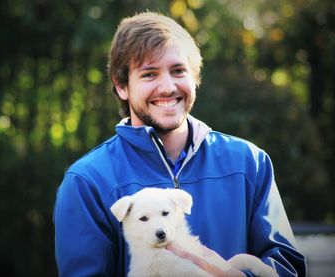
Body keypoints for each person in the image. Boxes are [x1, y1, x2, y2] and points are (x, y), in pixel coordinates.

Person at [53, 11, 306, 277]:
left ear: (195, 77)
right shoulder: (87, 181)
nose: (167, 87)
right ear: (121, 86)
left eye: (178, 71)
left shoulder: (249, 162)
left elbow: (288, 267)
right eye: (149, 74)